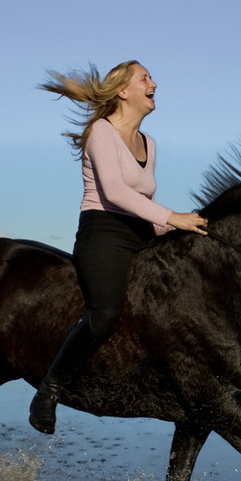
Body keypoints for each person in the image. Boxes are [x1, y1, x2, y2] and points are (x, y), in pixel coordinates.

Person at [30, 60, 207, 434]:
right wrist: (173, 216)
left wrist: (183, 233)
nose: (154, 83)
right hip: (103, 232)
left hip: (142, 234)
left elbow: (146, 207)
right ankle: (49, 390)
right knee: (106, 313)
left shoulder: (150, 144)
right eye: (146, 78)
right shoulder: (101, 131)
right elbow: (114, 192)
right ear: (124, 91)